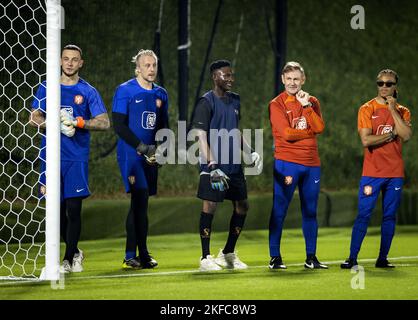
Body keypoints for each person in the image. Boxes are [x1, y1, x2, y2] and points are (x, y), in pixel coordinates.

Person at [29, 44, 110, 273]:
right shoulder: (47, 87)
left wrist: (78, 123)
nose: (70, 63)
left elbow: (104, 122)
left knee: (73, 209)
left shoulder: (88, 91)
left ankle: (67, 258)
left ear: (81, 63)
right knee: (56, 209)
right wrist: (54, 124)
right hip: (50, 158)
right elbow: (33, 118)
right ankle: (75, 251)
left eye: (75, 59)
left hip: (75, 158)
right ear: (60, 61)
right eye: (66, 59)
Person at [190, 60, 261, 272]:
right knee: (210, 207)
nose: (230, 79)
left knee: (242, 206)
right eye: (225, 75)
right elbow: (201, 136)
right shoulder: (206, 102)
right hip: (214, 165)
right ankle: (205, 258)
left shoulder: (236, 100)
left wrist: (251, 151)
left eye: (231, 75)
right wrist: (211, 165)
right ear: (214, 77)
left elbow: (235, 131)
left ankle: (228, 253)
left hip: (233, 165)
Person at [341, 69, 412, 269]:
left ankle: (383, 258)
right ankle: (352, 258)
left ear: (395, 86)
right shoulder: (366, 109)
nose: (384, 87)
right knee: (364, 214)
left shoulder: (403, 111)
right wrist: (390, 136)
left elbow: (406, 135)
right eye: (380, 83)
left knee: (389, 216)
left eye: (388, 84)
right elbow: (366, 140)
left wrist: (392, 110)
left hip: (395, 174)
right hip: (372, 173)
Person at [112, 49, 169, 269]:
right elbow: (119, 125)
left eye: (154, 65)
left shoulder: (161, 94)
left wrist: (161, 150)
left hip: (150, 155)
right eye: (146, 65)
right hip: (131, 154)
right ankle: (143, 254)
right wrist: (143, 148)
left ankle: (130, 255)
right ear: (137, 67)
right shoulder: (125, 90)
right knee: (141, 197)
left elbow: (164, 126)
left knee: (139, 203)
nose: (151, 69)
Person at [268, 61, 327, 270]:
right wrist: (309, 133)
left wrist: (306, 107)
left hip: (312, 165)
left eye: (296, 79)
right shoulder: (276, 104)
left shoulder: (312, 102)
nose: (293, 83)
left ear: (303, 80)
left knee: (310, 211)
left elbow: (320, 127)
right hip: (287, 164)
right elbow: (287, 134)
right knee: (279, 210)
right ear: (283, 80)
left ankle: (311, 257)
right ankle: (275, 257)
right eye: (289, 79)